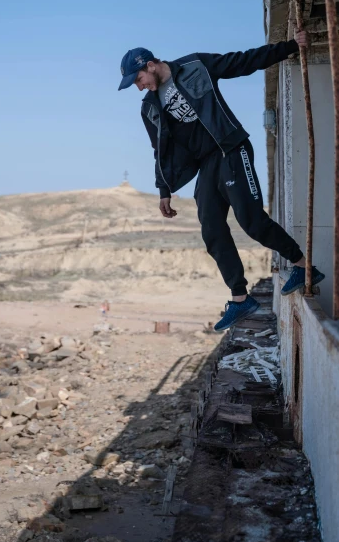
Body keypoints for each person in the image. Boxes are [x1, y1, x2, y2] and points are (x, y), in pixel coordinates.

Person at [117, 33, 325, 331]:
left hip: (231, 147)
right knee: (211, 228)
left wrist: (290, 46)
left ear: (150, 65)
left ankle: (304, 267)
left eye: (138, 79)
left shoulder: (195, 66)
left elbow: (241, 62)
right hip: (207, 164)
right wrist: (164, 191)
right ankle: (241, 299)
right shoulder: (149, 108)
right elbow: (159, 151)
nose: (139, 87)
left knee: (250, 220)